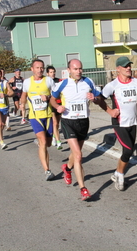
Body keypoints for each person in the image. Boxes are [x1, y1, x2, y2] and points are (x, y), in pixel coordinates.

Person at [51, 59, 100, 201]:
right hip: (68, 122)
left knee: (75, 154)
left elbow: (98, 97)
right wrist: (57, 107)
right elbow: (52, 99)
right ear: (69, 70)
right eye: (75, 69)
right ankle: (83, 189)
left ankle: (67, 168)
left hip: (83, 121)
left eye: (80, 69)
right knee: (78, 155)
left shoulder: (88, 82)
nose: (78, 71)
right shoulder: (63, 84)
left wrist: (94, 98)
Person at [97, 56, 137, 191]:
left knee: (128, 151)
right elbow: (99, 99)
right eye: (125, 66)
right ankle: (120, 175)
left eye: (129, 65)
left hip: (132, 121)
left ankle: (116, 172)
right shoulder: (112, 85)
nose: (128, 68)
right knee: (128, 150)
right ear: (118, 69)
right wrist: (109, 111)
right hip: (119, 122)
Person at [21, 60, 56, 181]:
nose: (40, 70)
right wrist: (22, 106)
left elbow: (56, 95)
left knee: (48, 143)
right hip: (35, 117)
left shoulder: (48, 81)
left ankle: (41, 144)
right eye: (37, 68)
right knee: (42, 142)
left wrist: (48, 97)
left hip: (47, 116)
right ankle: (47, 170)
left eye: (42, 68)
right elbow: (23, 96)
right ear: (32, 69)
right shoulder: (27, 82)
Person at [46, 65, 63, 150]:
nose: (52, 74)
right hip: (51, 104)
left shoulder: (59, 81)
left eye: (53, 72)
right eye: (51, 72)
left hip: (59, 104)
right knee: (55, 123)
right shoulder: (46, 82)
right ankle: (59, 142)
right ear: (47, 73)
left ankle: (53, 135)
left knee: (57, 124)